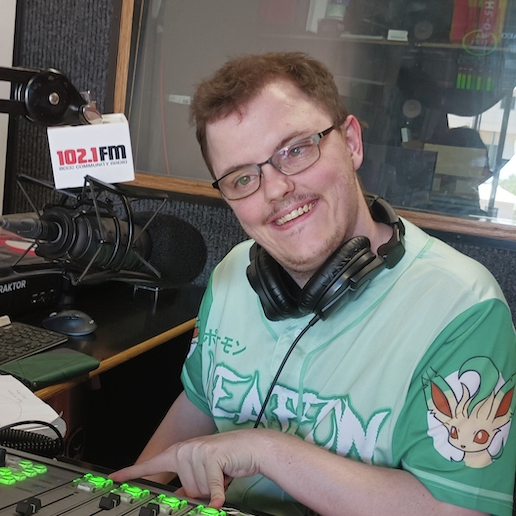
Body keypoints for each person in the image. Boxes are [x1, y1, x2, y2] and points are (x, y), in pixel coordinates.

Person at [111, 52, 516, 516]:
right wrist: (123, 499)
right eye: (242, 178)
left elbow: (459, 511)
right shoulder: (233, 273)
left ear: (351, 142)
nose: (275, 189)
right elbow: (200, 404)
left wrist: (266, 450)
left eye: (296, 150)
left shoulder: (463, 307)